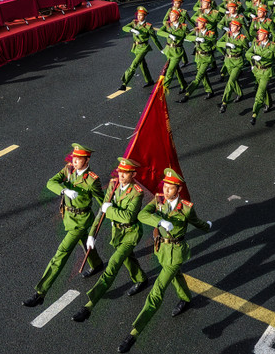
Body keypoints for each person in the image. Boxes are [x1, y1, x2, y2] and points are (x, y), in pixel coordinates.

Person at [118, 169, 211, 353]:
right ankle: (186, 298)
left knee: (157, 292)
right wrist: (159, 222)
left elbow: (197, 222)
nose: (166, 190)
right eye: (165, 186)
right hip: (161, 249)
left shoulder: (186, 208)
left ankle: (134, 333)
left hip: (176, 253)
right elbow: (142, 215)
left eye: (170, 188)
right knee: (176, 276)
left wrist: (207, 226)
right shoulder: (159, 200)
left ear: (179, 189)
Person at [22, 143, 105, 308]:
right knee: (84, 242)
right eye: (74, 157)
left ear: (87, 160)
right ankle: (96, 264)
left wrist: (95, 229)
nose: (74, 161)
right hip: (68, 217)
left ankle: (40, 293)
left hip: (81, 221)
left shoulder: (91, 180)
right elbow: (51, 182)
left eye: (79, 159)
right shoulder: (68, 170)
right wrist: (63, 190)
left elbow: (103, 204)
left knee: (60, 255)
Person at [71, 157, 149, 323]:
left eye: (125, 173)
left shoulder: (137, 193)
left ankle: (89, 306)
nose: (121, 175)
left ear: (133, 174)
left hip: (130, 233)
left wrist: (110, 210)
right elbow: (102, 211)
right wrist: (92, 234)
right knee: (127, 258)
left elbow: (128, 217)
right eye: (120, 171)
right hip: (117, 233)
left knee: (113, 265)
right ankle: (141, 279)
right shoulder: (113, 185)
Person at [119, 7, 162, 91]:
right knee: (142, 64)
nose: (138, 17)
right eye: (138, 15)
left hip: (143, 47)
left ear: (145, 16)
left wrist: (161, 49)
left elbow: (155, 39)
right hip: (136, 47)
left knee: (134, 64)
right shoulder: (134, 23)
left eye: (141, 15)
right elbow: (124, 28)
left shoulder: (148, 26)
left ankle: (124, 83)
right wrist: (132, 30)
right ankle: (149, 80)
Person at [179, 16, 218, 102]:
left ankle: (187, 95)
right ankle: (209, 91)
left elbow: (214, 43)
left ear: (205, 24)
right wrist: (196, 38)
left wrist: (205, 40)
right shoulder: (197, 31)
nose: (198, 24)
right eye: (198, 22)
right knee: (203, 75)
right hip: (198, 57)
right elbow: (188, 37)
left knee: (198, 77)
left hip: (206, 58)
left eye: (200, 22)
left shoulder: (210, 33)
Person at [245, 27, 275, 125]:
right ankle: (268, 103)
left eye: (260, 34)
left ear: (266, 35)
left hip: (266, 72)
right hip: (257, 71)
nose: (258, 35)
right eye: (258, 34)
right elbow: (247, 53)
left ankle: (254, 114)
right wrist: (253, 57)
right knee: (263, 88)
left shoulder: (272, 46)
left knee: (259, 93)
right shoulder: (256, 43)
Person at [216, 19, 248, 113]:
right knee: (233, 80)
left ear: (238, 28)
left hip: (237, 62)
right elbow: (218, 43)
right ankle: (239, 93)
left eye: (233, 26)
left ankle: (224, 102)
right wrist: (226, 44)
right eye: (231, 26)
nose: (231, 27)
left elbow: (247, 50)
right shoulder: (227, 34)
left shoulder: (242, 38)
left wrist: (252, 63)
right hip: (228, 61)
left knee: (230, 82)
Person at [157, 10, 188, 93]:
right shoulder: (167, 25)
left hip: (177, 52)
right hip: (169, 50)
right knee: (176, 69)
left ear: (177, 17)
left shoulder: (183, 27)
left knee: (170, 70)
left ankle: (163, 90)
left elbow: (189, 36)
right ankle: (184, 84)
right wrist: (169, 35)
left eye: (172, 15)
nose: (170, 17)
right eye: (170, 15)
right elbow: (159, 32)